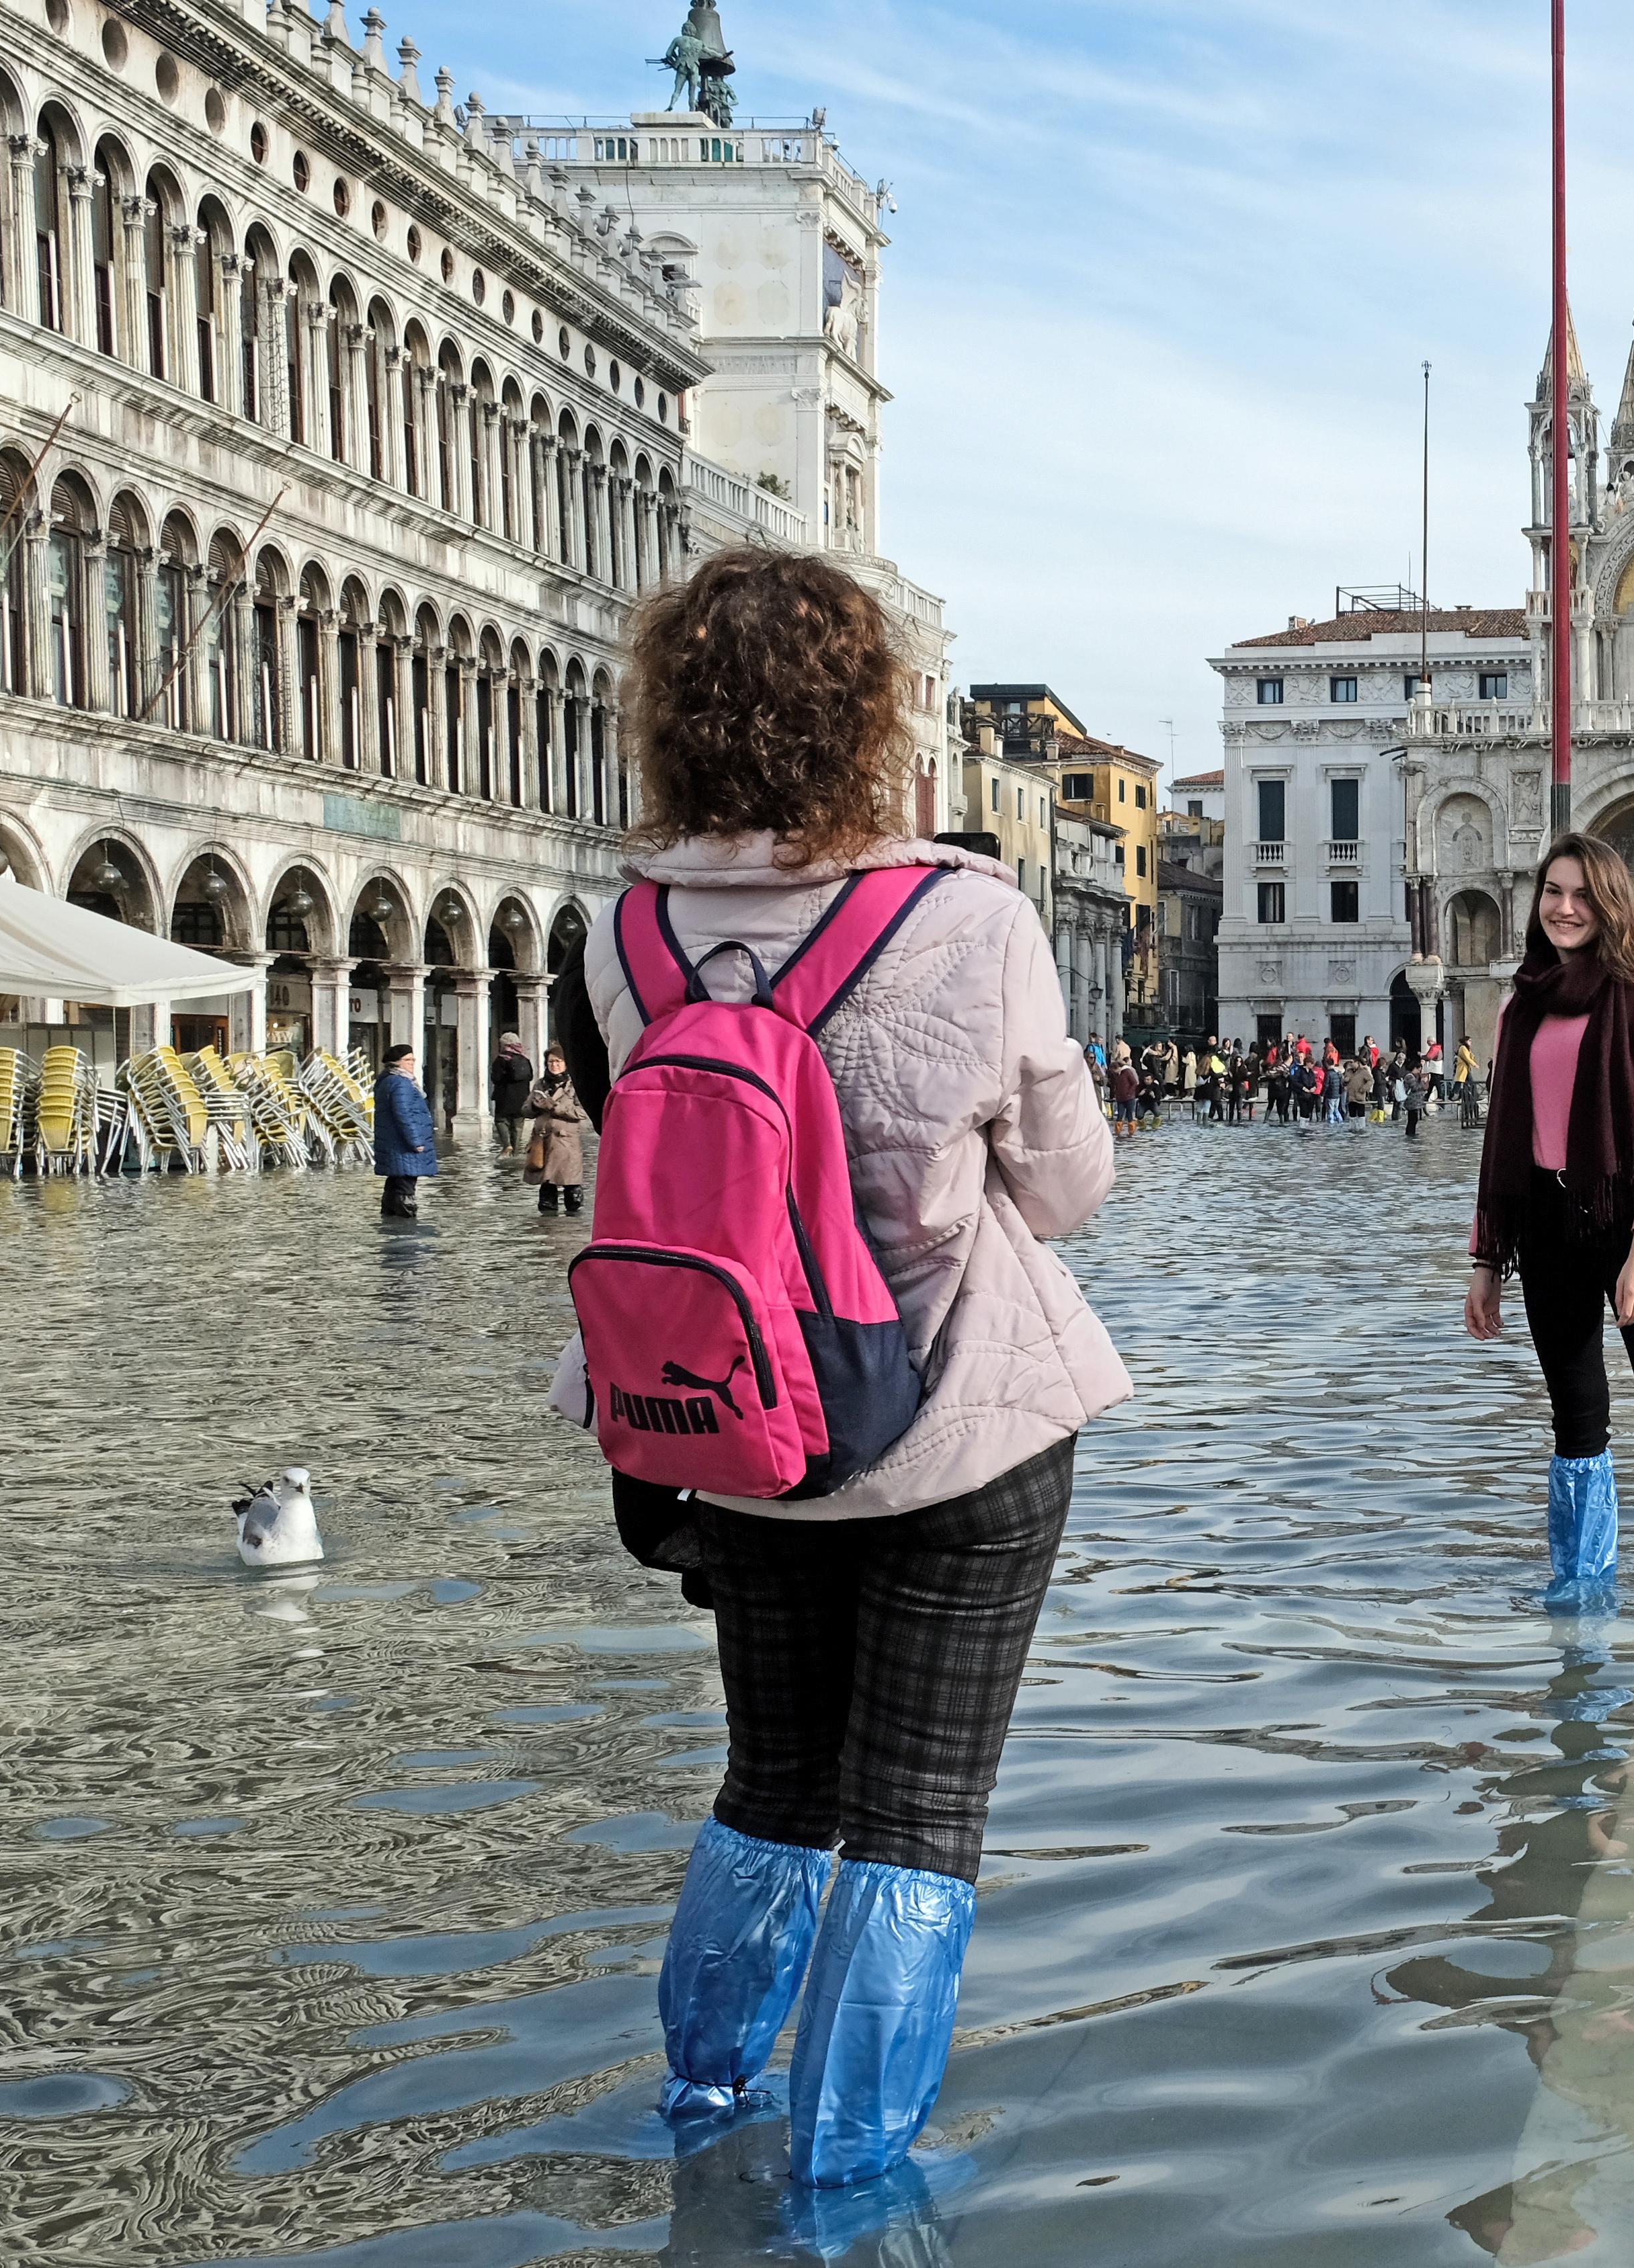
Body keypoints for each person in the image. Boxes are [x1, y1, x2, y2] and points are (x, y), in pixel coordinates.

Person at [560, 545, 1128, 2195]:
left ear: (672, 719)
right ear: (867, 717)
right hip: (953, 1432)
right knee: (916, 1817)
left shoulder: (629, 932)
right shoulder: (969, 913)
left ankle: (704, 2104)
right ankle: (848, 2185)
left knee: (769, 1785)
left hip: (735, 1433)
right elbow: (1066, 1189)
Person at [1459, 833, 1634, 1627]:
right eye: (1552, 892)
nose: (1565, 908)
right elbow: (1501, 1137)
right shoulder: (1520, 1002)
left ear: (1609, 904)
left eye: (1581, 894)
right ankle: (1582, 1595)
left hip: (1627, 1225)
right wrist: (1485, 1261)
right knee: (1575, 1414)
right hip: (1543, 1224)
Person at [374, 1043, 436, 1221]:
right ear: (396, 1063)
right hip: (403, 1147)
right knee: (405, 1186)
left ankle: (390, 1222)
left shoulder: (388, 1081)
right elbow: (404, 1115)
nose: (412, 1063)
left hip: (395, 1145)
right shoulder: (401, 1084)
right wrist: (416, 1141)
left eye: (413, 1059)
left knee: (394, 1184)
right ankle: (407, 1226)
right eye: (408, 1060)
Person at [524, 1046, 589, 1216]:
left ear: (566, 1063)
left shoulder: (574, 1084)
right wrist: (534, 1107)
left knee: (572, 1193)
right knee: (547, 1194)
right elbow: (525, 1110)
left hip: (566, 1144)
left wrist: (556, 1107)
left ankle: (572, 1228)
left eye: (559, 1061)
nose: (555, 1065)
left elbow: (582, 1112)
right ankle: (547, 1228)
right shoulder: (540, 1084)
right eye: (551, 1062)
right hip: (542, 1144)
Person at [490, 1031, 535, 1158]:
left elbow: (496, 1078)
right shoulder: (525, 1059)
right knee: (518, 1125)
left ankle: (507, 1145)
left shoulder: (501, 1059)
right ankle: (515, 1152)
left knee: (500, 1120)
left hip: (504, 1097)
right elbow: (530, 1077)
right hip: (521, 1098)